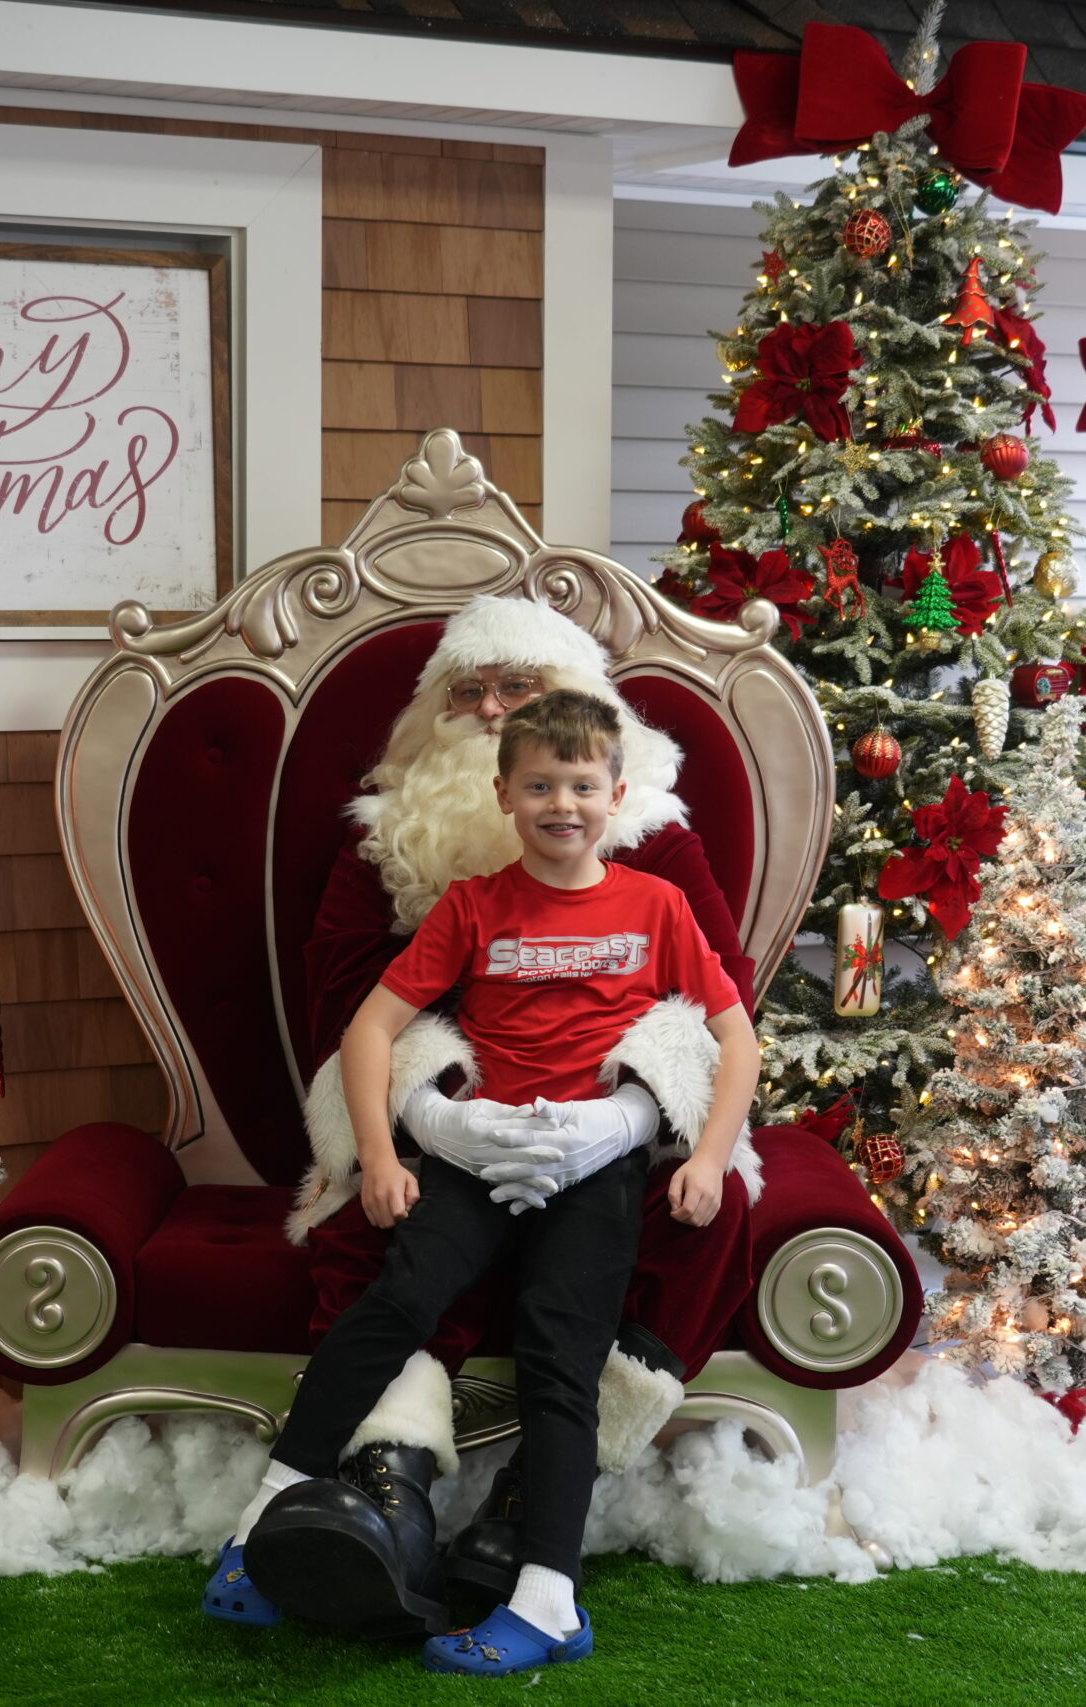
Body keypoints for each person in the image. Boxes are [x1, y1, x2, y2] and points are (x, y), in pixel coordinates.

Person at [212, 691, 760, 1677]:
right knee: (395, 1304)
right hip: (482, 1157)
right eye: (540, 786)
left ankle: (547, 1601)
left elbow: (735, 1038)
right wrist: (382, 1154)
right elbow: (369, 1029)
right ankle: (257, 1527)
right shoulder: (474, 905)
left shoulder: (656, 905)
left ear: (616, 795)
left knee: (562, 1356)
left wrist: (710, 1155)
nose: (562, 805)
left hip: (591, 1167)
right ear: (504, 795)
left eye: (581, 786)